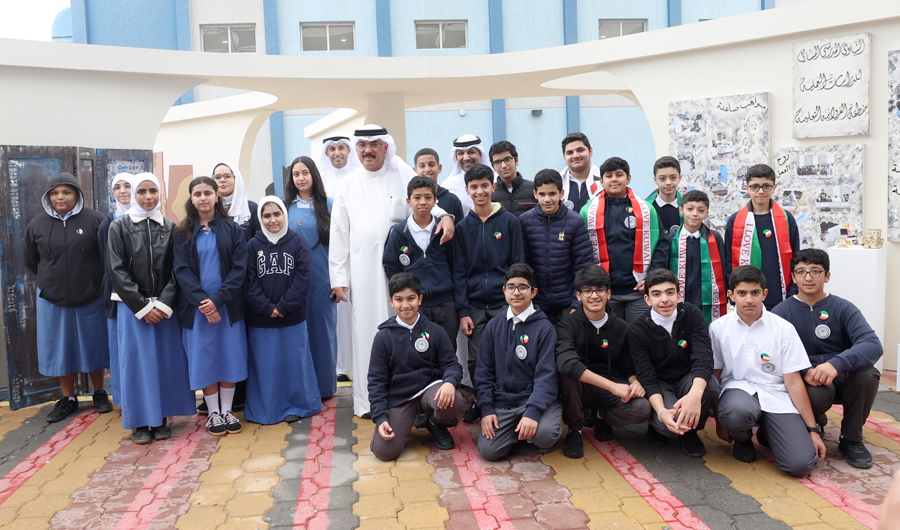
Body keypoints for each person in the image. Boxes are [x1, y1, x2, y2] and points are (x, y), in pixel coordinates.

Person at [329, 124, 456, 417]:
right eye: (362, 146)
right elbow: (338, 233)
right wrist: (338, 278)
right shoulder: (347, 184)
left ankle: (411, 401)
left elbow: (427, 200)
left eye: (375, 144)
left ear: (385, 147)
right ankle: (368, 402)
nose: (368, 150)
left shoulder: (401, 174)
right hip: (363, 274)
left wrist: (447, 216)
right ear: (356, 149)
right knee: (366, 335)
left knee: (407, 337)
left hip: (403, 278)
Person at [772, 249, 882, 469]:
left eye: (815, 271)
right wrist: (804, 372)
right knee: (817, 394)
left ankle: (851, 439)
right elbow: (772, 356)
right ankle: (816, 422)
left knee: (867, 375)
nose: (808, 277)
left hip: (840, 375)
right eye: (801, 272)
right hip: (807, 381)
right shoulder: (780, 313)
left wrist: (836, 364)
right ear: (793, 277)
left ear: (827, 276)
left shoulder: (843, 308)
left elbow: (872, 344)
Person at [712, 265, 825, 477]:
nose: (749, 300)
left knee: (800, 465)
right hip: (738, 393)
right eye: (742, 293)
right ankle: (742, 438)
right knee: (736, 412)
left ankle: (768, 432)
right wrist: (720, 421)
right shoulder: (718, 328)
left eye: (755, 293)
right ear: (731, 295)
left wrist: (812, 430)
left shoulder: (783, 328)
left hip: (776, 396)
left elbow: (793, 381)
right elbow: (716, 375)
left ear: (764, 293)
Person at [106, 173, 195, 443]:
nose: (148, 197)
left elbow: (178, 269)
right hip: (133, 309)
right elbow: (116, 270)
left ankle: (162, 417)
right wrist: (142, 306)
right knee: (137, 365)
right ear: (134, 194)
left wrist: (164, 303)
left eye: (153, 191)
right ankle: (140, 422)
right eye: (142, 191)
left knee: (164, 364)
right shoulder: (119, 227)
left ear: (160, 194)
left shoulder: (170, 226)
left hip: (164, 310)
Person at [25, 171, 113, 422]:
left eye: (66, 192)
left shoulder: (96, 220)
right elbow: (31, 260)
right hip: (52, 298)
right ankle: (68, 398)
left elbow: (106, 257)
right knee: (60, 348)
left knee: (93, 344)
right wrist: (50, 280)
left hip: (90, 296)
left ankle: (99, 393)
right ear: (48, 197)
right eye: (54, 193)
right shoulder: (37, 224)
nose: (60, 197)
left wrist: (95, 285)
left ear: (77, 194)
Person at [173, 177, 249, 436]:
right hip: (197, 310)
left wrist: (218, 301)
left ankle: (227, 410)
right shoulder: (182, 233)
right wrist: (204, 303)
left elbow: (239, 269)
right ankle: (213, 412)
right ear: (191, 199)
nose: (203, 198)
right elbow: (181, 271)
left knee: (229, 356)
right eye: (198, 194)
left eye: (208, 193)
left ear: (217, 196)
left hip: (228, 307)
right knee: (205, 360)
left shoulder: (233, 230)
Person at [454, 164, 524, 424]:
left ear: (493, 187)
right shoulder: (463, 227)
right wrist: (463, 312)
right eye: (474, 187)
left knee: (508, 354)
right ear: (467, 190)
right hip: (475, 306)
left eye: (484, 185)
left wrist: (515, 302)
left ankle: (509, 401)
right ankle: (482, 401)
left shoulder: (510, 222)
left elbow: (518, 265)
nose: (480, 191)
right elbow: (459, 272)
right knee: (476, 358)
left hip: (504, 303)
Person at [556, 265, 650, 458]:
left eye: (599, 290)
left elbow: (627, 365)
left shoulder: (621, 327)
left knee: (642, 407)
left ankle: (601, 416)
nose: (594, 296)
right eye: (587, 291)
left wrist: (634, 382)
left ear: (608, 293)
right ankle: (575, 429)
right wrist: (613, 387)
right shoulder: (568, 324)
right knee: (567, 375)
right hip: (581, 388)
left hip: (609, 387)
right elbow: (566, 363)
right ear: (579, 295)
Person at [369, 273, 464, 460]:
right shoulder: (383, 337)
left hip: (430, 390)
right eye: (399, 299)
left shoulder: (436, 331)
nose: (405, 305)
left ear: (420, 299)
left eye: (411, 298)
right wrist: (380, 418)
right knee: (384, 452)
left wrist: (449, 382)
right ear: (391, 301)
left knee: (455, 401)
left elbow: (452, 364)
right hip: (401, 397)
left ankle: (435, 422)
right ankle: (407, 420)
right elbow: (376, 381)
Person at [244, 197, 322, 425]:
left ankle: (299, 406)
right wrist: (267, 308)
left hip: (292, 318)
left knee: (294, 365)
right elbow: (248, 283)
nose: (273, 220)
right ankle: (267, 410)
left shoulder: (298, 243)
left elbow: (303, 280)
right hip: (261, 319)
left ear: (284, 215)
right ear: (260, 219)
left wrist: (284, 306)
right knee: (266, 367)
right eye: (267, 216)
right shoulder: (252, 246)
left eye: (277, 214)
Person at [476, 264, 562, 461]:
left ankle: (530, 427)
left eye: (523, 287)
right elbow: (483, 372)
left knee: (545, 435)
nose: (516, 292)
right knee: (489, 452)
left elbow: (547, 376)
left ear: (533, 292)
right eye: (511, 287)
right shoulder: (493, 326)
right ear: (504, 290)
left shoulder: (545, 329)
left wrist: (532, 413)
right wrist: (486, 410)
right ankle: (518, 431)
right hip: (502, 402)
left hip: (532, 400)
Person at [628, 269, 717, 458]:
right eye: (656, 294)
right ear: (647, 299)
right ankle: (657, 425)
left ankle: (690, 432)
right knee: (667, 424)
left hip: (687, 378)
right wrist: (661, 412)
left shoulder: (692, 314)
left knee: (709, 385)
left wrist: (694, 395)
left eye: (670, 292)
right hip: (661, 384)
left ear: (678, 295)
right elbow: (647, 377)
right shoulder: (637, 329)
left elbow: (704, 357)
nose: (664, 300)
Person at [580, 157, 663, 324]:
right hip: (604, 292)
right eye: (609, 175)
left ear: (628, 178)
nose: (614, 179)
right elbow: (581, 250)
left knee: (640, 335)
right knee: (609, 337)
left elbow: (661, 245)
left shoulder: (647, 210)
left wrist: (651, 277)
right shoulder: (587, 212)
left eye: (619, 175)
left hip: (638, 291)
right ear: (601, 180)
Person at [383, 176, 458, 352]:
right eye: (417, 197)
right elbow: (391, 266)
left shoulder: (445, 231)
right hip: (415, 305)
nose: (422, 202)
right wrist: (406, 295)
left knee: (446, 351)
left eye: (428, 197)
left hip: (446, 304)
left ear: (435, 201)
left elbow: (456, 264)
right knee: (416, 352)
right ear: (409, 201)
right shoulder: (399, 232)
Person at [285, 156, 337, 400]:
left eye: (305, 172)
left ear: (314, 175)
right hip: (292, 281)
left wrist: (339, 281)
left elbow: (340, 246)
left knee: (323, 333)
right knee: (297, 334)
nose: (301, 178)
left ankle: (325, 386)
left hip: (323, 279)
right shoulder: (284, 207)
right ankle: (301, 387)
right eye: (296, 174)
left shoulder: (330, 205)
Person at [519, 169, 593, 327]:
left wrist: (577, 303)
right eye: (542, 194)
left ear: (561, 193)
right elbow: (522, 264)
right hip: (535, 303)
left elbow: (583, 265)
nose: (547, 199)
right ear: (535, 194)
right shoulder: (524, 221)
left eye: (552, 193)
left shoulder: (575, 221)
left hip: (567, 304)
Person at [724, 164, 800, 311]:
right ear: (747, 188)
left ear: (774, 187)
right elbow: (728, 260)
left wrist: (793, 291)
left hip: (780, 294)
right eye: (755, 187)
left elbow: (796, 257)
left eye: (766, 186)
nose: (760, 191)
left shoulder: (786, 219)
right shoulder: (735, 220)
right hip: (748, 297)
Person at [649, 190, 728, 323]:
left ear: (706, 213)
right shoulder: (671, 239)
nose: (695, 214)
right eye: (690, 209)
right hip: (679, 297)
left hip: (706, 298)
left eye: (700, 210)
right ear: (681, 210)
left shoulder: (715, 238)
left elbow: (722, 268)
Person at [317, 137, 360, 383]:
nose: (337, 153)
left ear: (348, 150)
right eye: (332, 149)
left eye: (341, 148)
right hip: (330, 251)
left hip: (357, 250)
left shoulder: (358, 176)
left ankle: (356, 361)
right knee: (336, 312)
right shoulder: (321, 180)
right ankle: (337, 365)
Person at [97, 172, 133, 404]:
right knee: (121, 350)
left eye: (127, 186)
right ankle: (124, 398)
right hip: (117, 297)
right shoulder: (107, 224)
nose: (122, 191)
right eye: (117, 187)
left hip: (148, 297)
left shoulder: (152, 219)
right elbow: (107, 264)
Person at [442, 134, 490, 213]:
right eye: (461, 153)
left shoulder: (496, 180)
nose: (466, 158)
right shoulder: (448, 187)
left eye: (471, 152)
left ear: (480, 154)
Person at [414, 148, 464, 222]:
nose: (427, 169)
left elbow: (460, 227)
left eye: (431, 165)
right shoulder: (412, 199)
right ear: (415, 170)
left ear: (439, 168)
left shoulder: (452, 200)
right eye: (422, 166)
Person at [489, 141, 536, 216]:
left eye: (507, 159)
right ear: (493, 167)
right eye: (497, 162)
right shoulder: (490, 193)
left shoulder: (534, 189)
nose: (503, 166)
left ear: (516, 160)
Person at [559, 132, 601, 214]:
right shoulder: (557, 184)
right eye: (570, 152)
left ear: (590, 151)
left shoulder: (604, 181)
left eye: (580, 150)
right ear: (564, 156)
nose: (575, 156)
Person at [646, 156, 683, 236]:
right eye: (662, 178)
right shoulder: (645, 208)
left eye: (673, 177)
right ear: (655, 179)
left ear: (680, 178)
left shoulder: (688, 207)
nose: (668, 183)